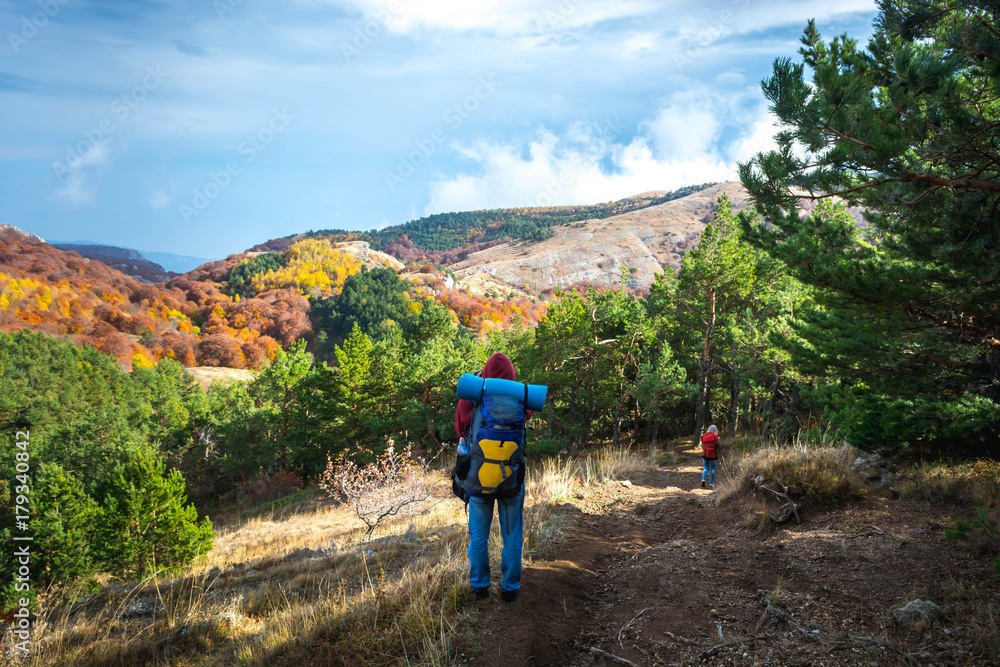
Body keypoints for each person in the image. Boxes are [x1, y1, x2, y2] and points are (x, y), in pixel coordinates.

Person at [454, 352, 531, 602]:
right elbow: (526, 417)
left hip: (479, 479)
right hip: (510, 478)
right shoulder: (520, 396)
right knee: (512, 537)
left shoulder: (473, 396)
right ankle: (509, 589)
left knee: (478, 537)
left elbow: (459, 427)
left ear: (485, 372)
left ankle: (480, 587)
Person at [700, 424, 719, 488]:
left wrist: (706, 448)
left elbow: (701, 445)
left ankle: (703, 479)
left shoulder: (705, 436)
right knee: (712, 468)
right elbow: (719, 445)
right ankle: (711, 483)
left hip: (705, 454)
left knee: (706, 467)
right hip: (713, 455)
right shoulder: (717, 437)